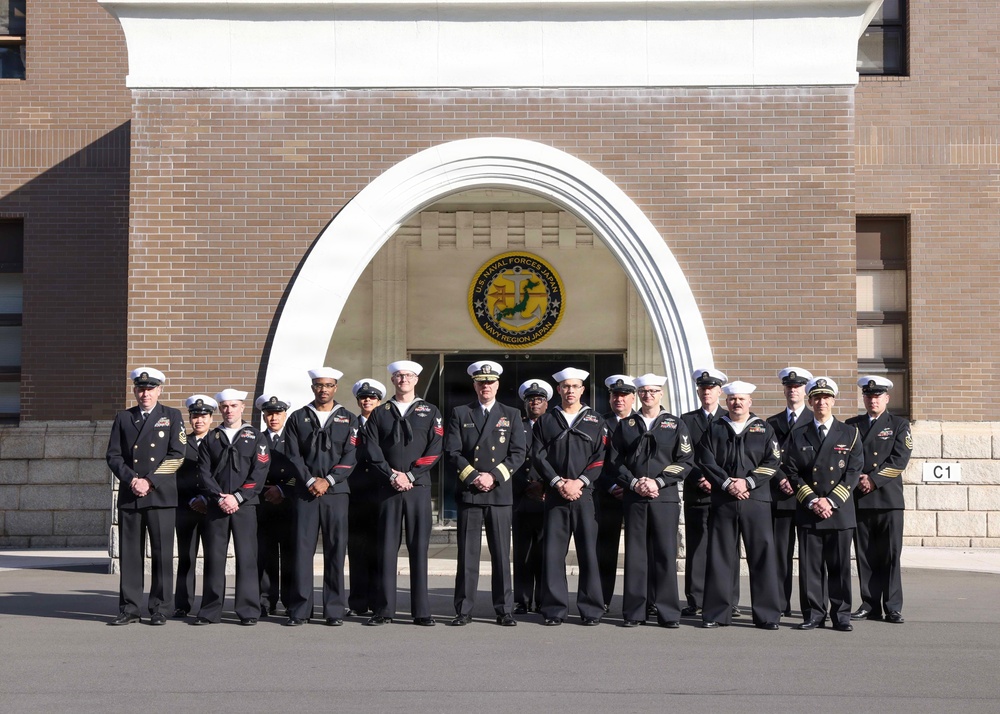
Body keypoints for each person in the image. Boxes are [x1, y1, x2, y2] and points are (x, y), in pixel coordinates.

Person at [445, 360, 527, 626]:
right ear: (475, 385)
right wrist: (474, 476)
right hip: (471, 491)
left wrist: (493, 476)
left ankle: (504, 610)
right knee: (467, 554)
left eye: (490, 383)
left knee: (502, 555)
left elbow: (518, 453)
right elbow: (452, 452)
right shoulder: (460, 412)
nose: (486, 387)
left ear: (497, 385)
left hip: (499, 492)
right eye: (481, 383)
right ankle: (464, 610)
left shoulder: (511, 413)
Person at [609, 373, 693, 628]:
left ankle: (668, 612)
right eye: (644, 391)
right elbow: (615, 461)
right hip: (634, 498)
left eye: (653, 391)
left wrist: (658, 481)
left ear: (661, 394)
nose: (648, 395)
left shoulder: (675, 424)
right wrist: (634, 483)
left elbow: (686, 461)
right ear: (638, 395)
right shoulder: (627, 425)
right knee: (636, 555)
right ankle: (635, 612)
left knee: (665, 555)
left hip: (664, 498)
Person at [364, 360, 443, 627]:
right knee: (386, 548)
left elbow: (435, 448)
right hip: (388, 488)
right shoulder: (380, 412)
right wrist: (392, 475)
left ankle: (421, 611)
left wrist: (410, 475)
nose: (403, 380)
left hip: (417, 488)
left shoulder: (430, 411)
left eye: (407, 376)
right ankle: (384, 609)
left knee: (419, 548)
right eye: (398, 376)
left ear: (416, 380)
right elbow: (371, 448)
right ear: (393, 381)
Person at [698, 381, 783, 630]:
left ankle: (767, 615)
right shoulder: (715, 429)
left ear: (750, 402)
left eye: (741, 399)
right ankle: (716, 613)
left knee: (762, 557)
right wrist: (727, 484)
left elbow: (773, 460)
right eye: (733, 399)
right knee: (720, 556)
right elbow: (706, 460)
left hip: (755, 500)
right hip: (724, 500)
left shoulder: (764, 428)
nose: (737, 403)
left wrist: (748, 482)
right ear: (726, 402)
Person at [782, 377, 863, 632]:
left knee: (839, 567)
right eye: (816, 398)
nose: (821, 402)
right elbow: (792, 472)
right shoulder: (798, 434)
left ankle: (841, 615)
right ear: (810, 401)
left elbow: (853, 471)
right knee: (810, 567)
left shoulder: (849, 433)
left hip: (839, 511)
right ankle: (814, 614)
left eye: (826, 397)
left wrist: (831, 501)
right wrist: (813, 500)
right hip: (810, 510)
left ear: (833, 401)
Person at [106, 368, 186, 626]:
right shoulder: (123, 418)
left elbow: (177, 455)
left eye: (150, 389)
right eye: (141, 389)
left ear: (159, 390)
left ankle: (161, 608)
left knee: (162, 554)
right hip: (132, 495)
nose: (145, 394)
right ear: (134, 391)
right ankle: (130, 608)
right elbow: (114, 456)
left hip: (160, 494)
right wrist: (133, 480)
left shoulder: (171, 416)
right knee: (130, 554)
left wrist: (150, 481)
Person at [283, 368, 358, 627]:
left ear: (336, 388)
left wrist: (329, 480)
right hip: (305, 493)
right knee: (302, 551)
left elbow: (352, 455)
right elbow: (292, 455)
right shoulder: (297, 417)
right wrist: (311, 480)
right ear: (312, 387)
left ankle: (334, 610)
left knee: (336, 551)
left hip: (336, 493)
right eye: (318, 385)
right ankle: (300, 610)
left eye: (328, 385)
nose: (323, 389)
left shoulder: (349, 418)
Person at [532, 367, 607, 626]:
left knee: (589, 553)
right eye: (566, 386)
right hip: (556, 496)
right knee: (553, 554)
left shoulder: (596, 420)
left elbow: (600, 458)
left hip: (585, 496)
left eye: (575, 386)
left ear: (582, 390)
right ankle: (554, 609)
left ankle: (591, 610)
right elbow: (538, 456)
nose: (570, 391)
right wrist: (557, 482)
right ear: (559, 390)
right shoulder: (546, 420)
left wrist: (580, 482)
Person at [194, 389, 269, 625]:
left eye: (233, 406)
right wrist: (219, 497)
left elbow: (259, 472)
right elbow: (204, 472)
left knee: (247, 558)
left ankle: (248, 610)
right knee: (214, 559)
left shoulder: (256, 437)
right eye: (225, 406)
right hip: (217, 507)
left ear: (242, 408)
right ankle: (210, 611)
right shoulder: (211, 438)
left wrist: (237, 497)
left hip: (245, 506)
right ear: (220, 409)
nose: (229, 410)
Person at [847, 375, 912, 625]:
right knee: (865, 554)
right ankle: (869, 604)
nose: (873, 400)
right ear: (864, 398)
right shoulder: (852, 425)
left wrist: (873, 479)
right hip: (860, 499)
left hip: (888, 499)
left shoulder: (898, 424)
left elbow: (900, 460)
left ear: (886, 398)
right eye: (869, 396)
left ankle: (893, 606)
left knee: (891, 555)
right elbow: (847, 457)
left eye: (877, 396)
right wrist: (858, 478)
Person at [679, 367, 734, 618]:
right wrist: (699, 477)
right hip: (697, 490)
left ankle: (728, 600)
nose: (706, 392)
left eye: (711, 388)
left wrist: (719, 481)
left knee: (726, 547)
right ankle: (696, 598)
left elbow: (733, 458)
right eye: (703, 388)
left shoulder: (730, 417)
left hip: (724, 493)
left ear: (720, 391)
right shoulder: (686, 420)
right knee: (697, 546)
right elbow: (683, 456)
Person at [765, 367, 814, 617]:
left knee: (809, 557)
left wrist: (797, 483)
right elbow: (766, 458)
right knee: (779, 555)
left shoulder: (815, 420)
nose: (793, 390)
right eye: (789, 386)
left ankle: (809, 607)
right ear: (784, 389)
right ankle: (779, 604)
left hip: (807, 497)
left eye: (797, 386)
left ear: (805, 390)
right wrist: (781, 478)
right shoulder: (772, 423)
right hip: (779, 496)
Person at [173, 394, 217, 619]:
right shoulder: (181, 444)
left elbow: (222, 476)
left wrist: (208, 500)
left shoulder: (218, 442)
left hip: (212, 510)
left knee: (212, 558)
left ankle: (210, 605)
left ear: (211, 418)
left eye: (203, 416)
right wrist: (191, 500)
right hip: (187, 509)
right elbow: (175, 477)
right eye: (195, 416)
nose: (199, 420)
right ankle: (182, 604)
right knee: (186, 558)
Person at [346, 378, 387, 617]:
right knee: (358, 550)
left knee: (381, 549)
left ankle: (379, 601)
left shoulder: (386, 424)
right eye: (363, 397)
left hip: (381, 494)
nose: (367, 400)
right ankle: (358, 602)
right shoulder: (350, 424)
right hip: (356, 496)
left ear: (379, 401)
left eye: (372, 397)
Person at [595, 374, 635, 613]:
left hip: (636, 493)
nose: (618, 399)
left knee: (640, 550)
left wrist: (630, 485)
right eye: (614, 395)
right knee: (605, 550)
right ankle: (602, 598)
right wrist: (611, 486)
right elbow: (595, 460)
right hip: (607, 493)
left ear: (633, 398)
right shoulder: (599, 422)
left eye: (623, 395)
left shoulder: (642, 423)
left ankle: (642, 600)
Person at [254, 394, 296, 619]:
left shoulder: (293, 440)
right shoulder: (256, 439)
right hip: (263, 503)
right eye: (269, 414)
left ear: (285, 415)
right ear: (263, 415)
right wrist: (267, 491)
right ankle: (265, 600)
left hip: (287, 504)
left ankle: (290, 601)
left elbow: (300, 470)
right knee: (265, 554)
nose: (273, 418)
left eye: (277, 413)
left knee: (289, 554)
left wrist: (282, 490)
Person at [511, 378, 551, 615]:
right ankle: (522, 600)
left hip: (547, 497)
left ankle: (544, 599)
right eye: (530, 399)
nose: (535, 403)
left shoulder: (553, 425)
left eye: (539, 399)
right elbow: (511, 458)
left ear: (546, 403)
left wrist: (545, 486)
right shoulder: (518, 425)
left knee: (546, 552)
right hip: (522, 498)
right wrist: (526, 486)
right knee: (523, 553)